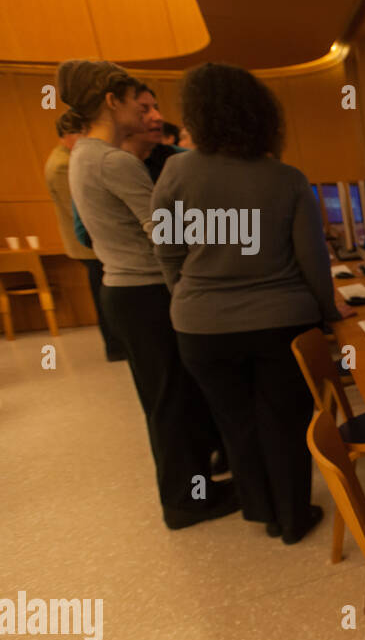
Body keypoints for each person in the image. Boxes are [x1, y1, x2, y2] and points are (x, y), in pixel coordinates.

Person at [152, 62, 339, 544]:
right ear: (261, 114)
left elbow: (167, 251)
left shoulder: (175, 170)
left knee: (235, 424)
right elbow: (313, 262)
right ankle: (294, 517)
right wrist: (328, 314)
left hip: (200, 327)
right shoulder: (287, 179)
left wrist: (189, 297)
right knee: (285, 422)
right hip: (282, 322)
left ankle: (262, 511)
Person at [60, 58, 237, 530]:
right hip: (146, 293)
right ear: (111, 102)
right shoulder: (114, 161)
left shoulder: (83, 154)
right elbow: (163, 233)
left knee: (166, 398)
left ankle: (194, 488)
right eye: (139, 104)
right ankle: (185, 501)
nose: (148, 115)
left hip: (123, 290)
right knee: (173, 401)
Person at [44, 115, 126, 360]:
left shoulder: (66, 159)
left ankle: (116, 344)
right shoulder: (63, 164)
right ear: (69, 135)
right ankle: (115, 346)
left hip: (90, 244)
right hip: (89, 245)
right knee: (103, 296)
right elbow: (81, 208)